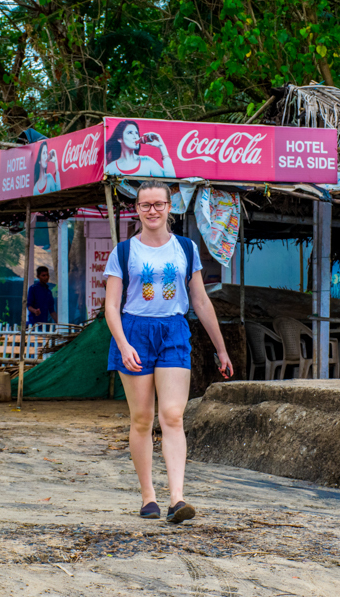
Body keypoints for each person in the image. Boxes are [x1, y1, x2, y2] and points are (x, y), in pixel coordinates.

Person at [104, 179, 233, 524]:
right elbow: (111, 306)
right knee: (142, 418)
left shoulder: (186, 248)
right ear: (136, 209)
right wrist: (123, 343)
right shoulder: (124, 252)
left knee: (173, 415)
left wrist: (221, 349)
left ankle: (177, 497)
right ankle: (148, 496)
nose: (152, 211)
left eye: (158, 204)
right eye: (145, 205)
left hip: (174, 330)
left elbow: (201, 301)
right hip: (134, 331)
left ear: (169, 207)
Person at [105, 120, 176, 178]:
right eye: (130, 133)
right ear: (119, 139)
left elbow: (170, 181)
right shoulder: (110, 168)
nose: (135, 136)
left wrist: (162, 147)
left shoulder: (147, 161)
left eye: (136, 133)